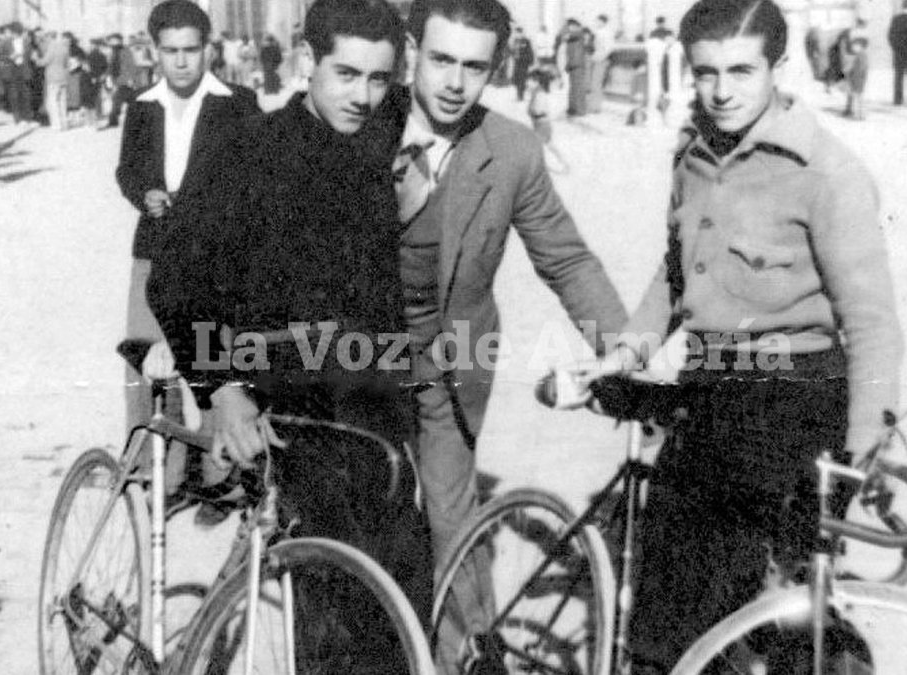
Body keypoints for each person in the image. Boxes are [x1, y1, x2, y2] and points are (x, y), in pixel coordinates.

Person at [572, 0, 902, 672]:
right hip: (707, 399)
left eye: (742, 71)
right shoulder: (693, 158)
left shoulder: (827, 174)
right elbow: (673, 274)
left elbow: (872, 324)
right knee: (671, 619)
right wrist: (631, 347)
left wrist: (863, 451)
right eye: (706, 73)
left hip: (792, 407)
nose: (722, 91)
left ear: (780, 68)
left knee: (776, 621)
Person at [150, 0, 433, 633]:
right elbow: (174, 281)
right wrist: (220, 391)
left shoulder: (379, 131)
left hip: (375, 412)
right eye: (346, 74)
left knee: (399, 603)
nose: (362, 95)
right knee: (328, 610)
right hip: (286, 409)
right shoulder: (247, 151)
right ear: (307, 63)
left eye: (379, 79)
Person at [376, 0, 627, 669]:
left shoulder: (512, 149)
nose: (455, 82)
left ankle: (468, 656)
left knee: (454, 519)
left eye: (474, 66)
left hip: (450, 359)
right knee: (363, 515)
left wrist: (622, 348)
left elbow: (566, 258)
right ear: (412, 52)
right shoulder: (358, 121)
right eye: (441, 60)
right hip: (351, 357)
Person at [116, 0, 260, 453]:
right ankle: (152, 467)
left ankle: (222, 476)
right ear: (154, 51)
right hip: (153, 250)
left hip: (213, 259)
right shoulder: (141, 107)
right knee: (146, 359)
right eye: (171, 50)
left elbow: (254, 178)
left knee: (210, 359)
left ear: (208, 50)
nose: (181, 61)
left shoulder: (237, 104)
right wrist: (144, 193)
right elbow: (127, 170)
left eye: (191, 50)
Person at [526, 68, 566, 172]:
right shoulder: (536, 91)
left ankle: (533, 168)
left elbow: (540, 109)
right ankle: (562, 162)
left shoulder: (540, 93)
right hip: (540, 124)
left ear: (536, 81)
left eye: (529, 81)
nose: (527, 83)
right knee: (549, 145)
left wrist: (533, 111)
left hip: (542, 124)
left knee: (534, 145)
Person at [34, 30, 69, 130]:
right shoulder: (64, 48)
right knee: (62, 102)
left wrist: (36, 58)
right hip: (63, 77)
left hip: (53, 78)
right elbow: (66, 63)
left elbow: (43, 62)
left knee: (53, 102)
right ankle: (64, 124)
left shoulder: (51, 48)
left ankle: (56, 125)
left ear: (49, 37)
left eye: (46, 37)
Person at [843, 18, 869, 119]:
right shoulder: (863, 52)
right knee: (857, 94)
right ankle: (857, 112)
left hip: (856, 71)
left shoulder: (853, 34)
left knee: (854, 92)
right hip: (858, 72)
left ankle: (852, 110)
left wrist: (848, 70)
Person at [589, 14, 614, 113]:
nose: (596, 23)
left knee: (596, 84)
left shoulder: (606, 33)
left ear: (603, 22)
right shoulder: (600, 32)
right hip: (597, 58)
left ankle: (596, 107)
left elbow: (608, 48)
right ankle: (594, 106)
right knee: (595, 84)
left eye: (598, 21)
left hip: (601, 60)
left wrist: (600, 57)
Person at [509, 25, 534, 100]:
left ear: (522, 33)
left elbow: (530, 51)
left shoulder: (526, 41)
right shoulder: (515, 41)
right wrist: (512, 53)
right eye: (517, 33)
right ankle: (519, 94)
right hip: (517, 63)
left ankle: (520, 96)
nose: (518, 35)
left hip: (524, 63)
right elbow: (513, 51)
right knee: (516, 79)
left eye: (519, 33)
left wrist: (530, 61)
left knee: (522, 80)